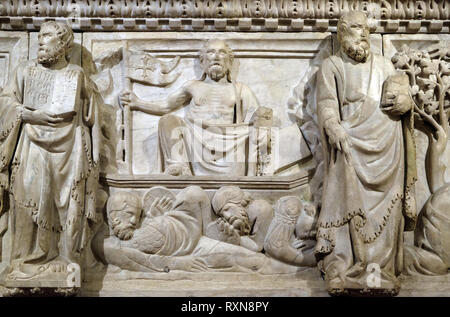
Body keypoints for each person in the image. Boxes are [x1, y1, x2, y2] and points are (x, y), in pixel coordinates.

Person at [314, 11, 416, 294]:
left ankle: (378, 273)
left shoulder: (384, 65)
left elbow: (403, 99)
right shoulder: (332, 65)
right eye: (357, 28)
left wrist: (405, 104)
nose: (364, 33)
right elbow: (325, 104)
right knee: (345, 205)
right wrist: (333, 125)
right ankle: (342, 269)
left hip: (387, 144)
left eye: (366, 29)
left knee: (388, 209)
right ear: (343, 33)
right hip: (349, 143)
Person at [0, 21, 101, 279]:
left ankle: (66, 259)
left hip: (69, 148)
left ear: (64, 45)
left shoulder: (75, 73)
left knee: (68, 201)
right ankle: (23, 260)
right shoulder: (25, 71)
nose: (40, 42)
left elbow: (92, 116)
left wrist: (89, 97)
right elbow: (6, 103)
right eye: (39, 37)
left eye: (47, 37)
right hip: (31, 144)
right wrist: (29, 115)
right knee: (27, 194)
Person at [120, 40, 260, 176]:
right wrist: (137, 102)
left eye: (222, 53)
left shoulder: (240, 89)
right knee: (168, 121)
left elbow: (256, 117)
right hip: (195, 139)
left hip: (228, 144)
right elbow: (166, 105)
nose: (216, 56)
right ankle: (180, 167)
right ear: (202, 61)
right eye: (211, 53)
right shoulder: (193, 86)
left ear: (229, 62)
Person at [206, 186, 273, 252]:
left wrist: (236, 239)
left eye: (227, 209)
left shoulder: (262, 208)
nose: (227, 216)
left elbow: (258, 247)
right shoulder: (238, 219)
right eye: (221, 215)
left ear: (239, 201)